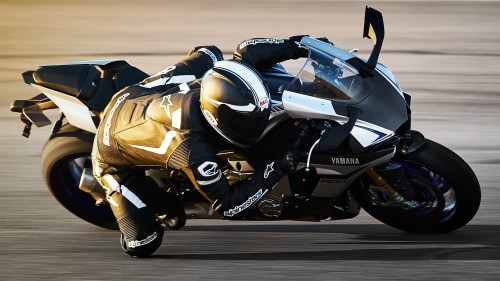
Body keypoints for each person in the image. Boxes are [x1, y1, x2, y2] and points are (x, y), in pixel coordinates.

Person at [91, 36, 310, 257]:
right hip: (111, 149)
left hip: (136, 94)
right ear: (216, 117)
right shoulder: (191, 149)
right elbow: (227, 206)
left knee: (209, 53)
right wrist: (277, 167)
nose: (255, 125)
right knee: (142, 244)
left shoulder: (220, 84)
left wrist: (301, 45)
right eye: (245, 121)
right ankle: (156, 199)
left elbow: (247, 50)